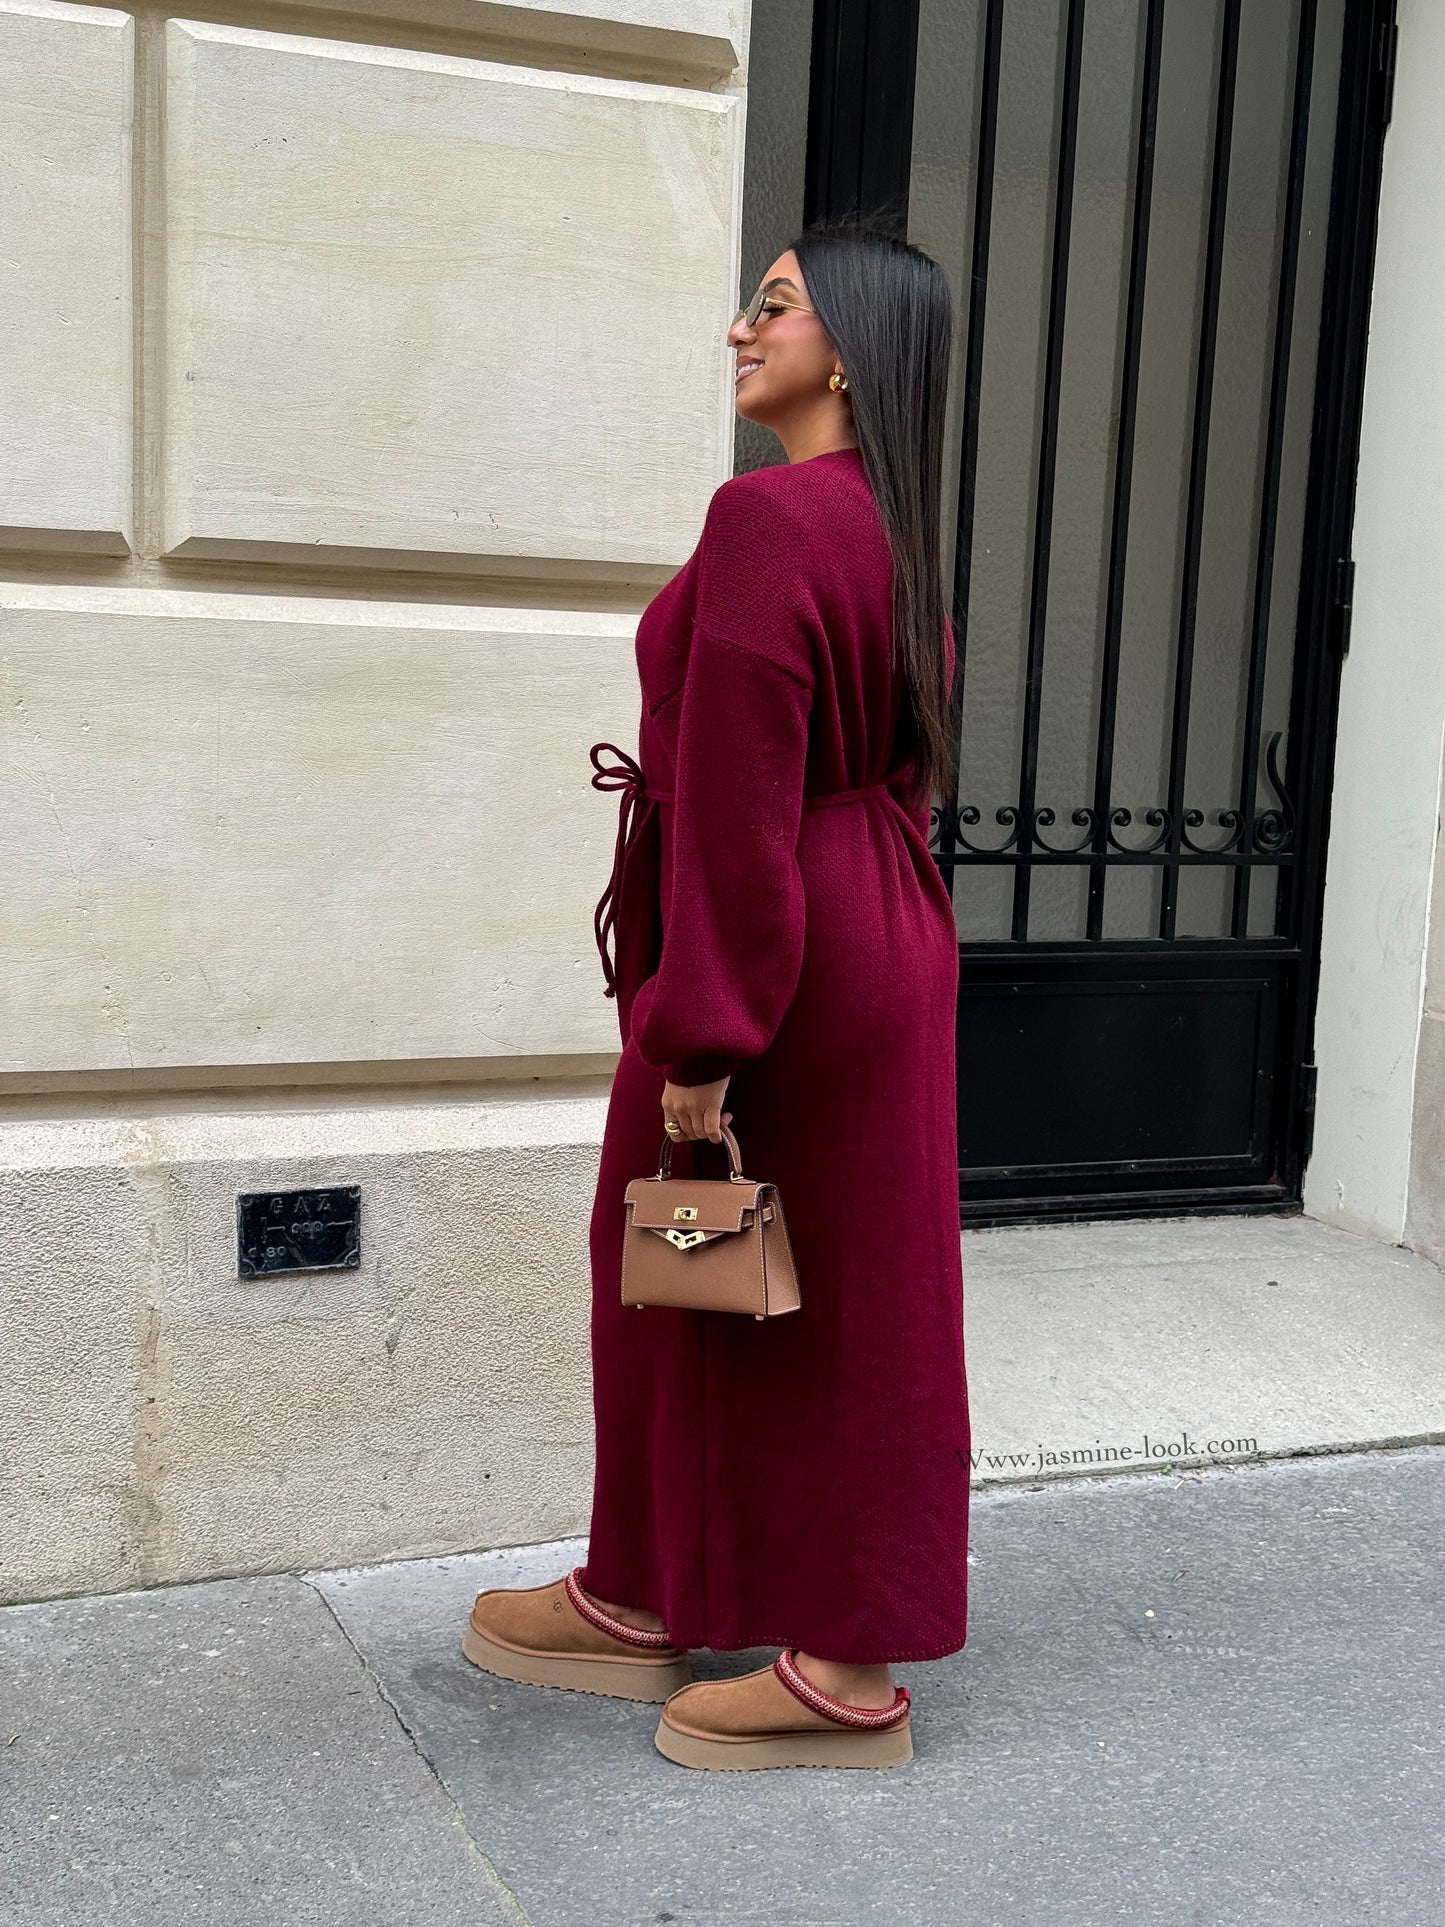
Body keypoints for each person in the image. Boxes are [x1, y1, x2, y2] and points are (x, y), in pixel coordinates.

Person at [462, 217, 970, 1771]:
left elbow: (743, 805)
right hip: (872, 920)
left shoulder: (767, 521)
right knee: (760, 1282)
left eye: (772, 309)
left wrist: (701, 1034)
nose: (741, 332)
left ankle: (843, 1674)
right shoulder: (891, 527)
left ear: (852, 346)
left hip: (776, 950)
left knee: (754, 1278)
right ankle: (647, 1589)